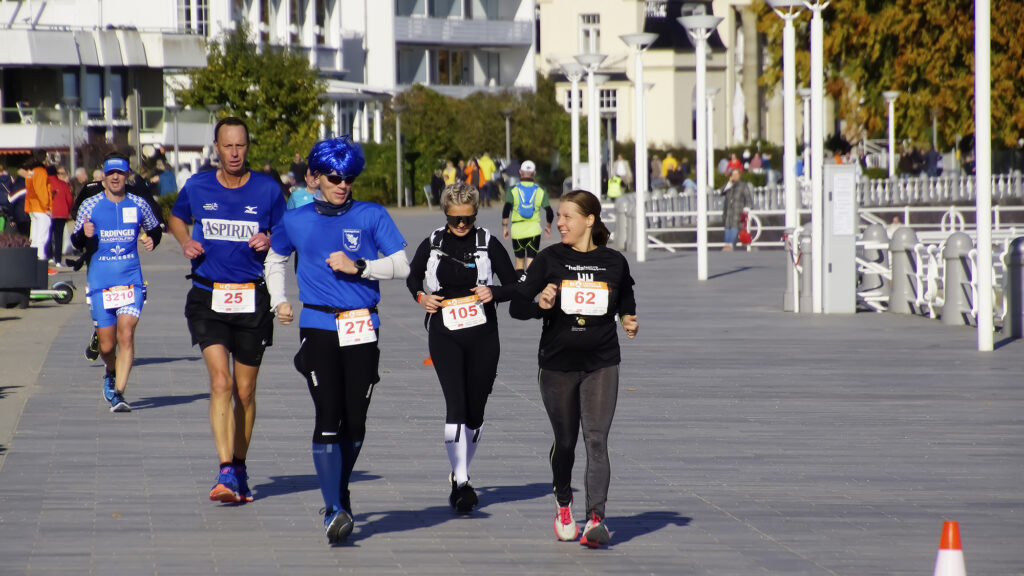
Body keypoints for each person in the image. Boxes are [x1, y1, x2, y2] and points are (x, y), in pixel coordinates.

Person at [263, 136, 410, 543]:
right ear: (314, 177)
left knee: (355, 422)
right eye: (333, 177)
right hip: (319, 325)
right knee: (329, 418)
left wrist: (360, 266)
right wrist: (279, 301)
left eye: (348, 177)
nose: (342, 184)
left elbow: (402, 264)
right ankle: (334, 509)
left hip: (363, 325)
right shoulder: (296, 219)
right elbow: (274, 259)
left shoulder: (371, 214)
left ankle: (338, 490)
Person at [167, 117, 286, 504]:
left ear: (247, 147)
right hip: (208, 297)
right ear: (215, 148)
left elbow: (288, 231)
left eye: (241, 146)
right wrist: (185, 241)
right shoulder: (198, 186)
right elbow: (176, 217)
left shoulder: (267, 189)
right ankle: (225, 471)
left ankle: (239, 465)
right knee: (221, 383)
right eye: (227, 146)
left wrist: (270, 237)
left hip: (252, 299)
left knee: (246, 392)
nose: (234, 153)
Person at [513, 190, 638, 548]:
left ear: (590, 220)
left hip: (601, 362)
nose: (560, 223)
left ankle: (596, 518)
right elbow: (517, 309)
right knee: (566, 442)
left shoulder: (614, 262)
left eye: (567, 217)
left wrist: (628, 317)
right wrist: (541, 302)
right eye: (559, 216)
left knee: (596, 439)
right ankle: (564, 502)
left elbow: (625, 294)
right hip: (557, 365)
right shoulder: (550, 258)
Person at [406, 181, 518, 514]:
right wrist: (421, 297)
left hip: (483, 334)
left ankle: (461, 471)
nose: (460, 226)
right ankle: (462, 480)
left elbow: (515, 283)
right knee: (455, 404)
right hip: (445, 332)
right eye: (455, 219)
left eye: (466, 219)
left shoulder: (487, 243)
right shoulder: (434, 242)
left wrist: (494, 293)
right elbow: (413, 277)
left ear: (474, 214)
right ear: (446, 215)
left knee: (476, 410)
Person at [71, 153, 162, 413]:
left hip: (130, 280)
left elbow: (155, 228)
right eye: (110, 173)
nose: (115, 177)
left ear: (127, 175)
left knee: (127, 334)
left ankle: (119, 393)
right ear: (103, 176)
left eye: (120, 173)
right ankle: (110, 371)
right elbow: (77, 241)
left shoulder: (138, 203)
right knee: (108, 345)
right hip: (101, 282)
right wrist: (83, 234)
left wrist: (152, 240)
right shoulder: (91, 205)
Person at [502, 160, 553, 272]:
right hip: (534, 230)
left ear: (520, 172)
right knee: (531, 263)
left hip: (517, 230)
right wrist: (548, 226)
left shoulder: (512, 190)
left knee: (519, 263)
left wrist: (505, 227)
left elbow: (506, 209)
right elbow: (549, 211)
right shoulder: (540, 190)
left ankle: (520, 287)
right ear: (534, 173)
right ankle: (531, 287)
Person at [23, 153, 51, 261]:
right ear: (45, 158)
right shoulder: (41, 171)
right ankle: (40, 259)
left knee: (34, 236)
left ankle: (32, 259)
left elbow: (30, 189)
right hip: (40, 207)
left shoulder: (30, 172)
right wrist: (46, 207)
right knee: (42, 235)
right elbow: (41, 190)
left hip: (32, 206)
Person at [720, 168, 752, 251]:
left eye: (736, 175)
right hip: (727, 216)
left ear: (739, 175)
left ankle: (730, 248)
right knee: (727, 236)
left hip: (737, 215)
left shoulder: (743, 186)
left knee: (733, 236)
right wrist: (729, 182)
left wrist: (746, 210)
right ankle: (728, 248)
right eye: (733, 174)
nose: (734, 176)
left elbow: (749, 200)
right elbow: (722, 192)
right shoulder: (729, 186)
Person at [50, 165, 73, 266]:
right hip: (62, 213)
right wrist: (68, 209)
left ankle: (50, 257)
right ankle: (58, 260)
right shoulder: (63, 184)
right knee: (59, 237)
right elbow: (69, 199)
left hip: (49, 213)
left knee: (48, 236)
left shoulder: (46, 183)